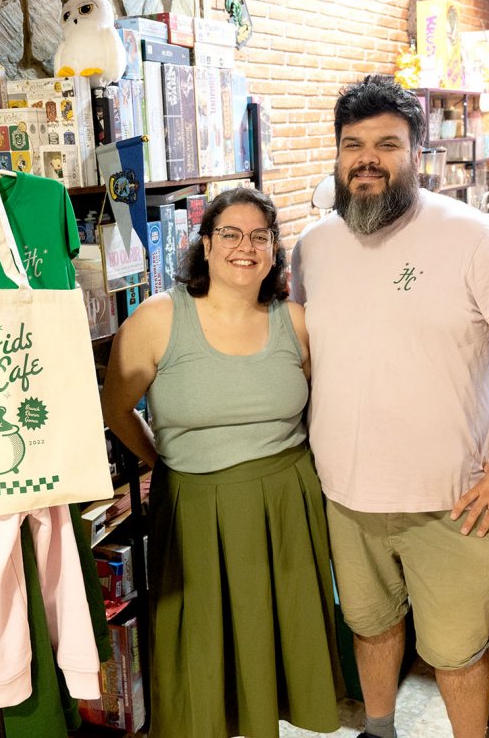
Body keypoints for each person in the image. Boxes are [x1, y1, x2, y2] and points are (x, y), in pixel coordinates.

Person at [291, 75, 489, 738]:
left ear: (418, 154)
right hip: (347, 495)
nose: (367, 157)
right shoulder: (312, 246)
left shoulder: (470, 236)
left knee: (456, 653)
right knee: (370, 624)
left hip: (453, 501)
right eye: (352, 144)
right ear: (335, 155)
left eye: (387, 143)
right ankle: (379, 729)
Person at [101, 187, 342, 738]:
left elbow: (320, 409)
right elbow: (116, 409)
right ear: (205, 245)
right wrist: (165, 461)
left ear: (275, 250)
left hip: (284, 506)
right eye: (230, 233)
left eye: (260, 236)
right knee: (201, 651)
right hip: (193, 509)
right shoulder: (157, 319)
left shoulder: (296, 322)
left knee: (273, 645)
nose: (245, 246)